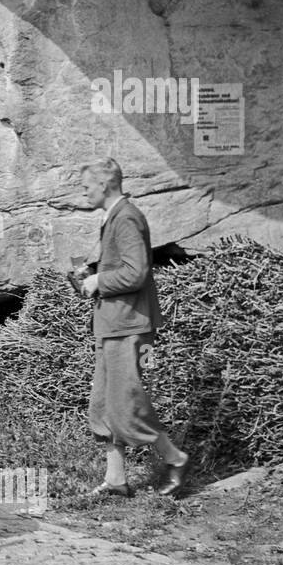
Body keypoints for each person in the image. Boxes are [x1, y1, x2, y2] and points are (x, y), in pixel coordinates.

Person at [77, 158, 189, 497]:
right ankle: (116, 479)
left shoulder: (126, 217)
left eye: (87, 186)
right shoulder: (115, 218)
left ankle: (175, 457)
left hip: (129, 326)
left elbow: (136, 272)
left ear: (105, 185)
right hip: (112, 325)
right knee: (103, 404)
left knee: (127, 402)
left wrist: (99, 279)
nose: (83, 192)